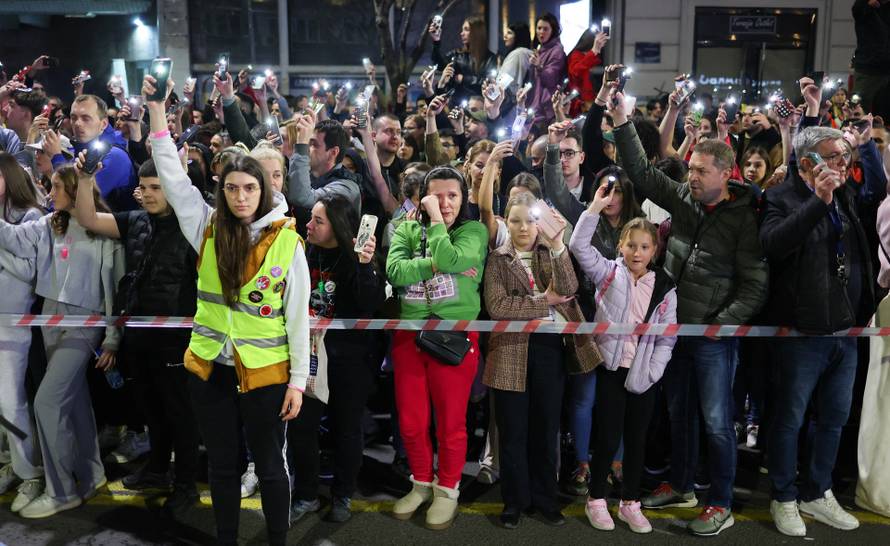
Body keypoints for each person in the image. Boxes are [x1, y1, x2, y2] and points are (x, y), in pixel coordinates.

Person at [145, 74, 309, 546]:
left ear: (263, 191)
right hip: (210, 367)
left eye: (249, 189)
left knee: (271, 465)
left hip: (266, 373)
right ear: (223, 190)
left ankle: (277, 539)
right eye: (232, 188)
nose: (240, 197)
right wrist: (157, 113)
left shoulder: (287, 242)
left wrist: (298, 381)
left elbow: (298, 318)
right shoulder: (207, 227)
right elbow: (174, 180)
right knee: (219, 465)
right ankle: (226, 538)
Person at [609, 86, 769, 536]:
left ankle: (720, 502)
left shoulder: (743, 217)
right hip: (673, 332)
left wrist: (722, 325)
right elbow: (640, 170)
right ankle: (681, 485)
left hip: (712, 338)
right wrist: (622, 121)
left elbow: (755, 283)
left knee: (718, 423)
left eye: (701, 170)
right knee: (679, 414)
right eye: (691, 168)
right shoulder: (683, 198)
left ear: (724, 172)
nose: (692, 176)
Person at [760, 124, 878, 537]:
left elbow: (875, 192)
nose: (842, 165)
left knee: (833, 418)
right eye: (834, 157)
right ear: (807, 161)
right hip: (801, 333)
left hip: (844, 333)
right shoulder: (779, 196)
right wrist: (817, 201)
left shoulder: (846, 194)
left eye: (845, 157)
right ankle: (784, 496)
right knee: (789, 419)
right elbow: (774, 245)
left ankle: (817, 491)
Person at [71, 157, 202, 518]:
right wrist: (84, 180)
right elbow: (88, 219)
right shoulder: (137, 220)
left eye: (157, 187)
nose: (148, 194)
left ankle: (186, 486)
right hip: (139, 334)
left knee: (181, 414)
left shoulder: (194, 225)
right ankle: (158, 470)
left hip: (179, 338)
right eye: (144, 187)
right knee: (152, 411)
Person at [0, 163, 123, 519]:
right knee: (77, 405)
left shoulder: (100, 227)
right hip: (50, 323)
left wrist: (112, 339)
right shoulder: (48, 224)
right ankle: (93, 473)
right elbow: (11, 239)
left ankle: (62, 491)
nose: (49, 193)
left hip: (85, 325)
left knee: (46, 404)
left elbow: (113, 289)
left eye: (55, 187)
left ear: (74, 189)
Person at [483, 192, 600, 529]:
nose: (524, 227)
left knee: (546, 431)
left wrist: (560, 244)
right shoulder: (497, 259)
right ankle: (514, 502)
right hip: (508, 352)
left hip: (549, 350)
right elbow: (498, 307)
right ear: (507, 221)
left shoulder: (550, 252)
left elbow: (569, 288)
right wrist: (543, 301)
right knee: (513, 433)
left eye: (531, 220)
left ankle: (546, 500)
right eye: (516, 220)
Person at [570, 185, 678, 534]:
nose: (637, 252)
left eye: (644, 247)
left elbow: (668, 335)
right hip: (611, 370)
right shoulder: (609, 273)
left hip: (643, 374)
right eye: (631, 245)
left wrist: (655, 370)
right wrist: (594, 209)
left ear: (654, 250)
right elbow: (578, 247)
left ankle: (631, 502)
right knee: (608, 436)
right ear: (620, 247)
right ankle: (597, 499)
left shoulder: (665, 287)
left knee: (637, 438)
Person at [387, 166, 488, 530]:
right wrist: (435, 263)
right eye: (436, 196)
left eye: (452, 195)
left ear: (463, 198)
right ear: (423, 195)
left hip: (455, 338)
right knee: (412, 423)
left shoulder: (474, 230)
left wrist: (436, 232)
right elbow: (395, 272)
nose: (444, 203)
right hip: (409, 336)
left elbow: (452, 259)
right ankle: (421, 483)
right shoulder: (405, 228)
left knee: (450, 423)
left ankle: (448, 490)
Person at [288, 194, 385, 524]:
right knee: (301, 429)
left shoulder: (357, 257)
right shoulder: (303, 250)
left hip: (348, 358)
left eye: (318, 221)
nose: (309, 225)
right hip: (307, 354)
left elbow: (369, 304)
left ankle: (343, 494)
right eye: (311, 219)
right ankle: (305, 494)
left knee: (347, 429)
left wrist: (364, 265)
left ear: (338, 227)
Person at [0, 153, 44, 511]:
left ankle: (30, 473)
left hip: (13, 324)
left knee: (11, 403)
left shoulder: (31, 216)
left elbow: (29, 272)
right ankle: (10, 465)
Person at [50, 95, 138, 211]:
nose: (77, 123)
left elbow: (76, 202)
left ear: (103, 124)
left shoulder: (115, 157)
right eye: (74, 118)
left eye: (85, 118)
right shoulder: (75, 151)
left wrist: (56, 157)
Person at [287, 110, 361, 215]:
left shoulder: (346, 188)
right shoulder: (308, 174)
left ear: (333, 152)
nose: (307, 149)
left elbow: (301, 198)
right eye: (308, 143)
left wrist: (301, 144)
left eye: (314, 144)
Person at [430, 15, 498, 103]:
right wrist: (436, 41)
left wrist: (464, 79)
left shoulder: (490, 58)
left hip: (480, 107)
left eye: (466, 29)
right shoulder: (457, 54)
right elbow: (439, 65)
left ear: (477, 32)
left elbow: (490, 84)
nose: (461, 33)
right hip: (456, 105)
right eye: (462, 30)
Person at [851, 0, 890, 121]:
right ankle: (856, 137)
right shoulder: (863, 6)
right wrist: (868, 3)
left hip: (884, 69)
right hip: (868, 69)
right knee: (858, 112)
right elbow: (857, 9)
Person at [528, 13, 567, 126]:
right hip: (536, 106)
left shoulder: (556, 51)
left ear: (553, 30)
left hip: (546, 109)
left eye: (545, 29)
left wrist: (539, 66)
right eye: (539, 28)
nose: (541, 32)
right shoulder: (540, 48)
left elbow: (551, 79)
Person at [567, 29, 609, 117]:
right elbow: (575, 72)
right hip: (579, 106)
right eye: (599, 42)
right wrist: (593, 51)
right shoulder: (577, 55)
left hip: (591, 102)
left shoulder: (592, 58)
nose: (601, 44)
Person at [498, 22, 534, 96]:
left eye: (509, 33)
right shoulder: (527, 54)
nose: (505, 36)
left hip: (511, 100)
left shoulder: (516, 54)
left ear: (518, 36)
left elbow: (503, 81)